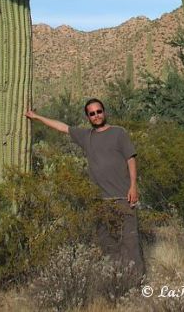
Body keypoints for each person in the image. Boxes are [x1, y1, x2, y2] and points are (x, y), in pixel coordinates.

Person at [25, 99, 145, 277]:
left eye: (99, 112)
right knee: (107, 243)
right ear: (88, 117)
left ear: (104, 112)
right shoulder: (85, 136)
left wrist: (133, 186)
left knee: (130, 241)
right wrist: (36, 117)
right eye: (92, 113)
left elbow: (131, 159)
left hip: (122, 197)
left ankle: (138, 280)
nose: (96, 116)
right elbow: (62, 127)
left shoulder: (119, 133)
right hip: (99, 201)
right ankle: (117, 280)